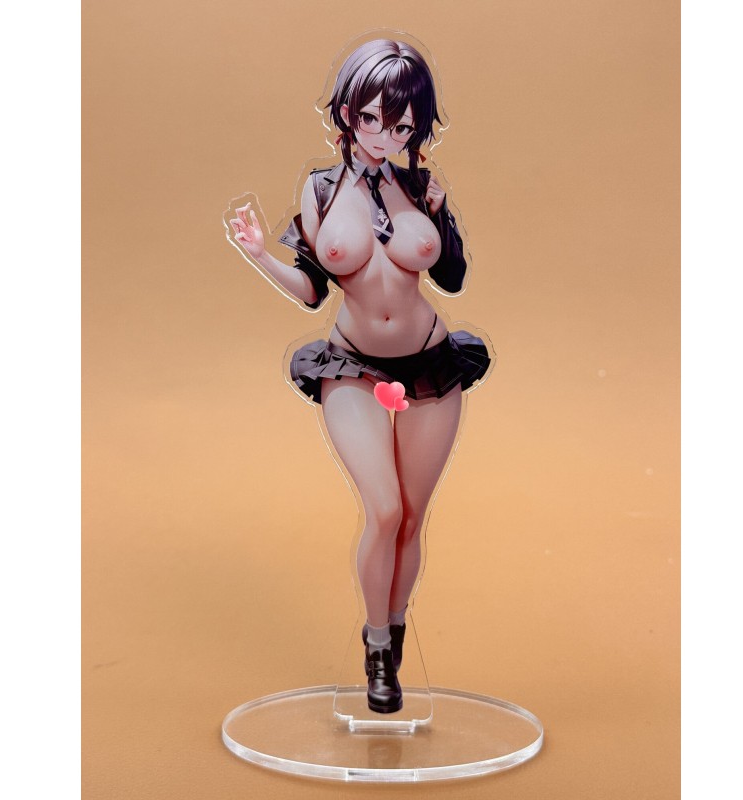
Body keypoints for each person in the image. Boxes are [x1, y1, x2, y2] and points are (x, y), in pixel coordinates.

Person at [229, 38, 490, 714]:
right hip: (352, 366)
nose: (383, 135)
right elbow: (313, 290)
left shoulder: (419, 187)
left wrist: (439, 215)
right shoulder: (319, 189)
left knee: (412, 518)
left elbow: (453, 279)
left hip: (430, 362)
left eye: (401, 126)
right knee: (384, 508)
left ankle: (395, 632)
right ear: (347, 112)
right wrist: (259, 256)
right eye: (370, 118)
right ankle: (375, 646)